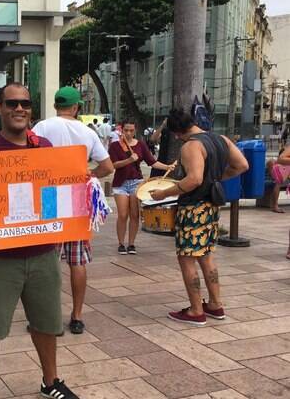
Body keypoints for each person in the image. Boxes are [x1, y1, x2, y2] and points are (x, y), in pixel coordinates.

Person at [0, 83, 80, 399]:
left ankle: (50, 382)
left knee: (47, 322)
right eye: (12, 103)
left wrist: (78, 189)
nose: (19, 109)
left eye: (25, 103)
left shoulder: (44, 147)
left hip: (42, 254)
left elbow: (54, 200)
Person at [151, 109, 249, 325]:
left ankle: (196, 311)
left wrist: (163, 194)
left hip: (193, 207)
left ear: (177, 132)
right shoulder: (221, 139)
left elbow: (193, 180)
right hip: (212, 206)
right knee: (206, 256)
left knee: (186, 258)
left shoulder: (191, 145)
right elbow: (242, 165)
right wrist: (216, 178)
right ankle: (215, 305)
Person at [32, 86, 114, 335]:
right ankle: (77, 316)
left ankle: (47, 317)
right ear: (77, 107)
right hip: (78, 199)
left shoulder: (42, 128)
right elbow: (107, 166)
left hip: (49, 198)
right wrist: (91, 174)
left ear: (56, 105)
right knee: (77, 261)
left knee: (47, 262)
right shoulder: (86, 132)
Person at [109, 122, 173, 255]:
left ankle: (131, 244)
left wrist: (167, 167)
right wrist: (129, 160)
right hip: (120, 183)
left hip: (136, 182)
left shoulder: (140, 145)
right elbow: (113, 165)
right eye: (126, 130)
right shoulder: (115, 146)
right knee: (122, 214)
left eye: (131, 130)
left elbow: (152, 162)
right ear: (121, 130)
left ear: (135, 130)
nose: (128, 133)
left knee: (134, 214)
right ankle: (121, 243)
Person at [266, 147, 289, 214]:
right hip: (276, 180)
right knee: (277, 182)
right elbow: (274, 177)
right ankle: (275, 206)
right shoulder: (273, 161)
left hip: (285, 180)